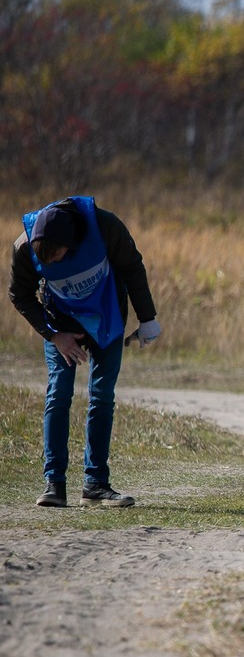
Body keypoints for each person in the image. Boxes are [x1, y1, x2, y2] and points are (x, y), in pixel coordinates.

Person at [8, 196, 160, 508]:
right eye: (47, 262)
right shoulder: (24, 246)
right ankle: (54, 484)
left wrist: (148, 319)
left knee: (102, 395)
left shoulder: (104, 227)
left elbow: (132, 267)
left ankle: (96, 485)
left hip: (107, 318)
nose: (55, 264)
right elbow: (20, 294)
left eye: (59, 256)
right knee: (59, 393)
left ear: (72, 242)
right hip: (61, 325)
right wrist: (53, 335)